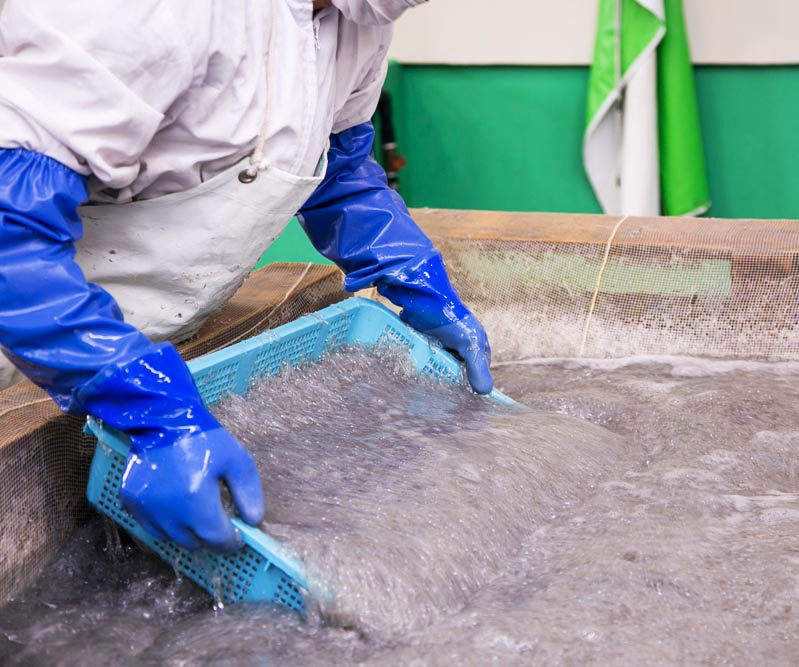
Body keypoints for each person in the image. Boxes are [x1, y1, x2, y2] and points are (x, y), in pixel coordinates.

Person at [0, 0, 492, 553]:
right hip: (26, 330)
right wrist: (152, 412)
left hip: (139, 337)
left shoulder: (361, 24)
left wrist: (410, 270)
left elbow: (338, 168)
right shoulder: (142, 13)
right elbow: (10, 242)